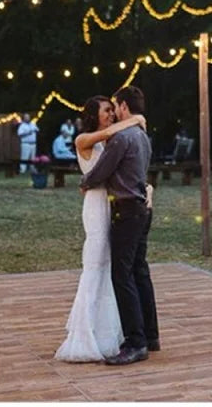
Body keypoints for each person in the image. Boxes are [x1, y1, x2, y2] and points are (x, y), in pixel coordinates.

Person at [54, 96, 146, 363]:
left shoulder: (109, 141)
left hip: (113, 206)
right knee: (94, 268)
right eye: (106, 110)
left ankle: (106, 335)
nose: (111, 114)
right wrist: (133, 121)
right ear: (94, 115)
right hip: (95, 208)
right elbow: (107, 133)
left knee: (110, 271)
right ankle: (84, 335)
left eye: (112, 110)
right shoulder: (83, 139)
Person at [79, 86, 159, 365]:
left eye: (115, 106)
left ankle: (136, 342)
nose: (114, 111)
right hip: (141, 209)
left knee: (122, 276)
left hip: (126, 212)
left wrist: (85, 182)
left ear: (124, 106)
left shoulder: (122, 138)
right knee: (139, 271)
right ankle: (151, 336)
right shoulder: (141, 135)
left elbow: (101, 172)